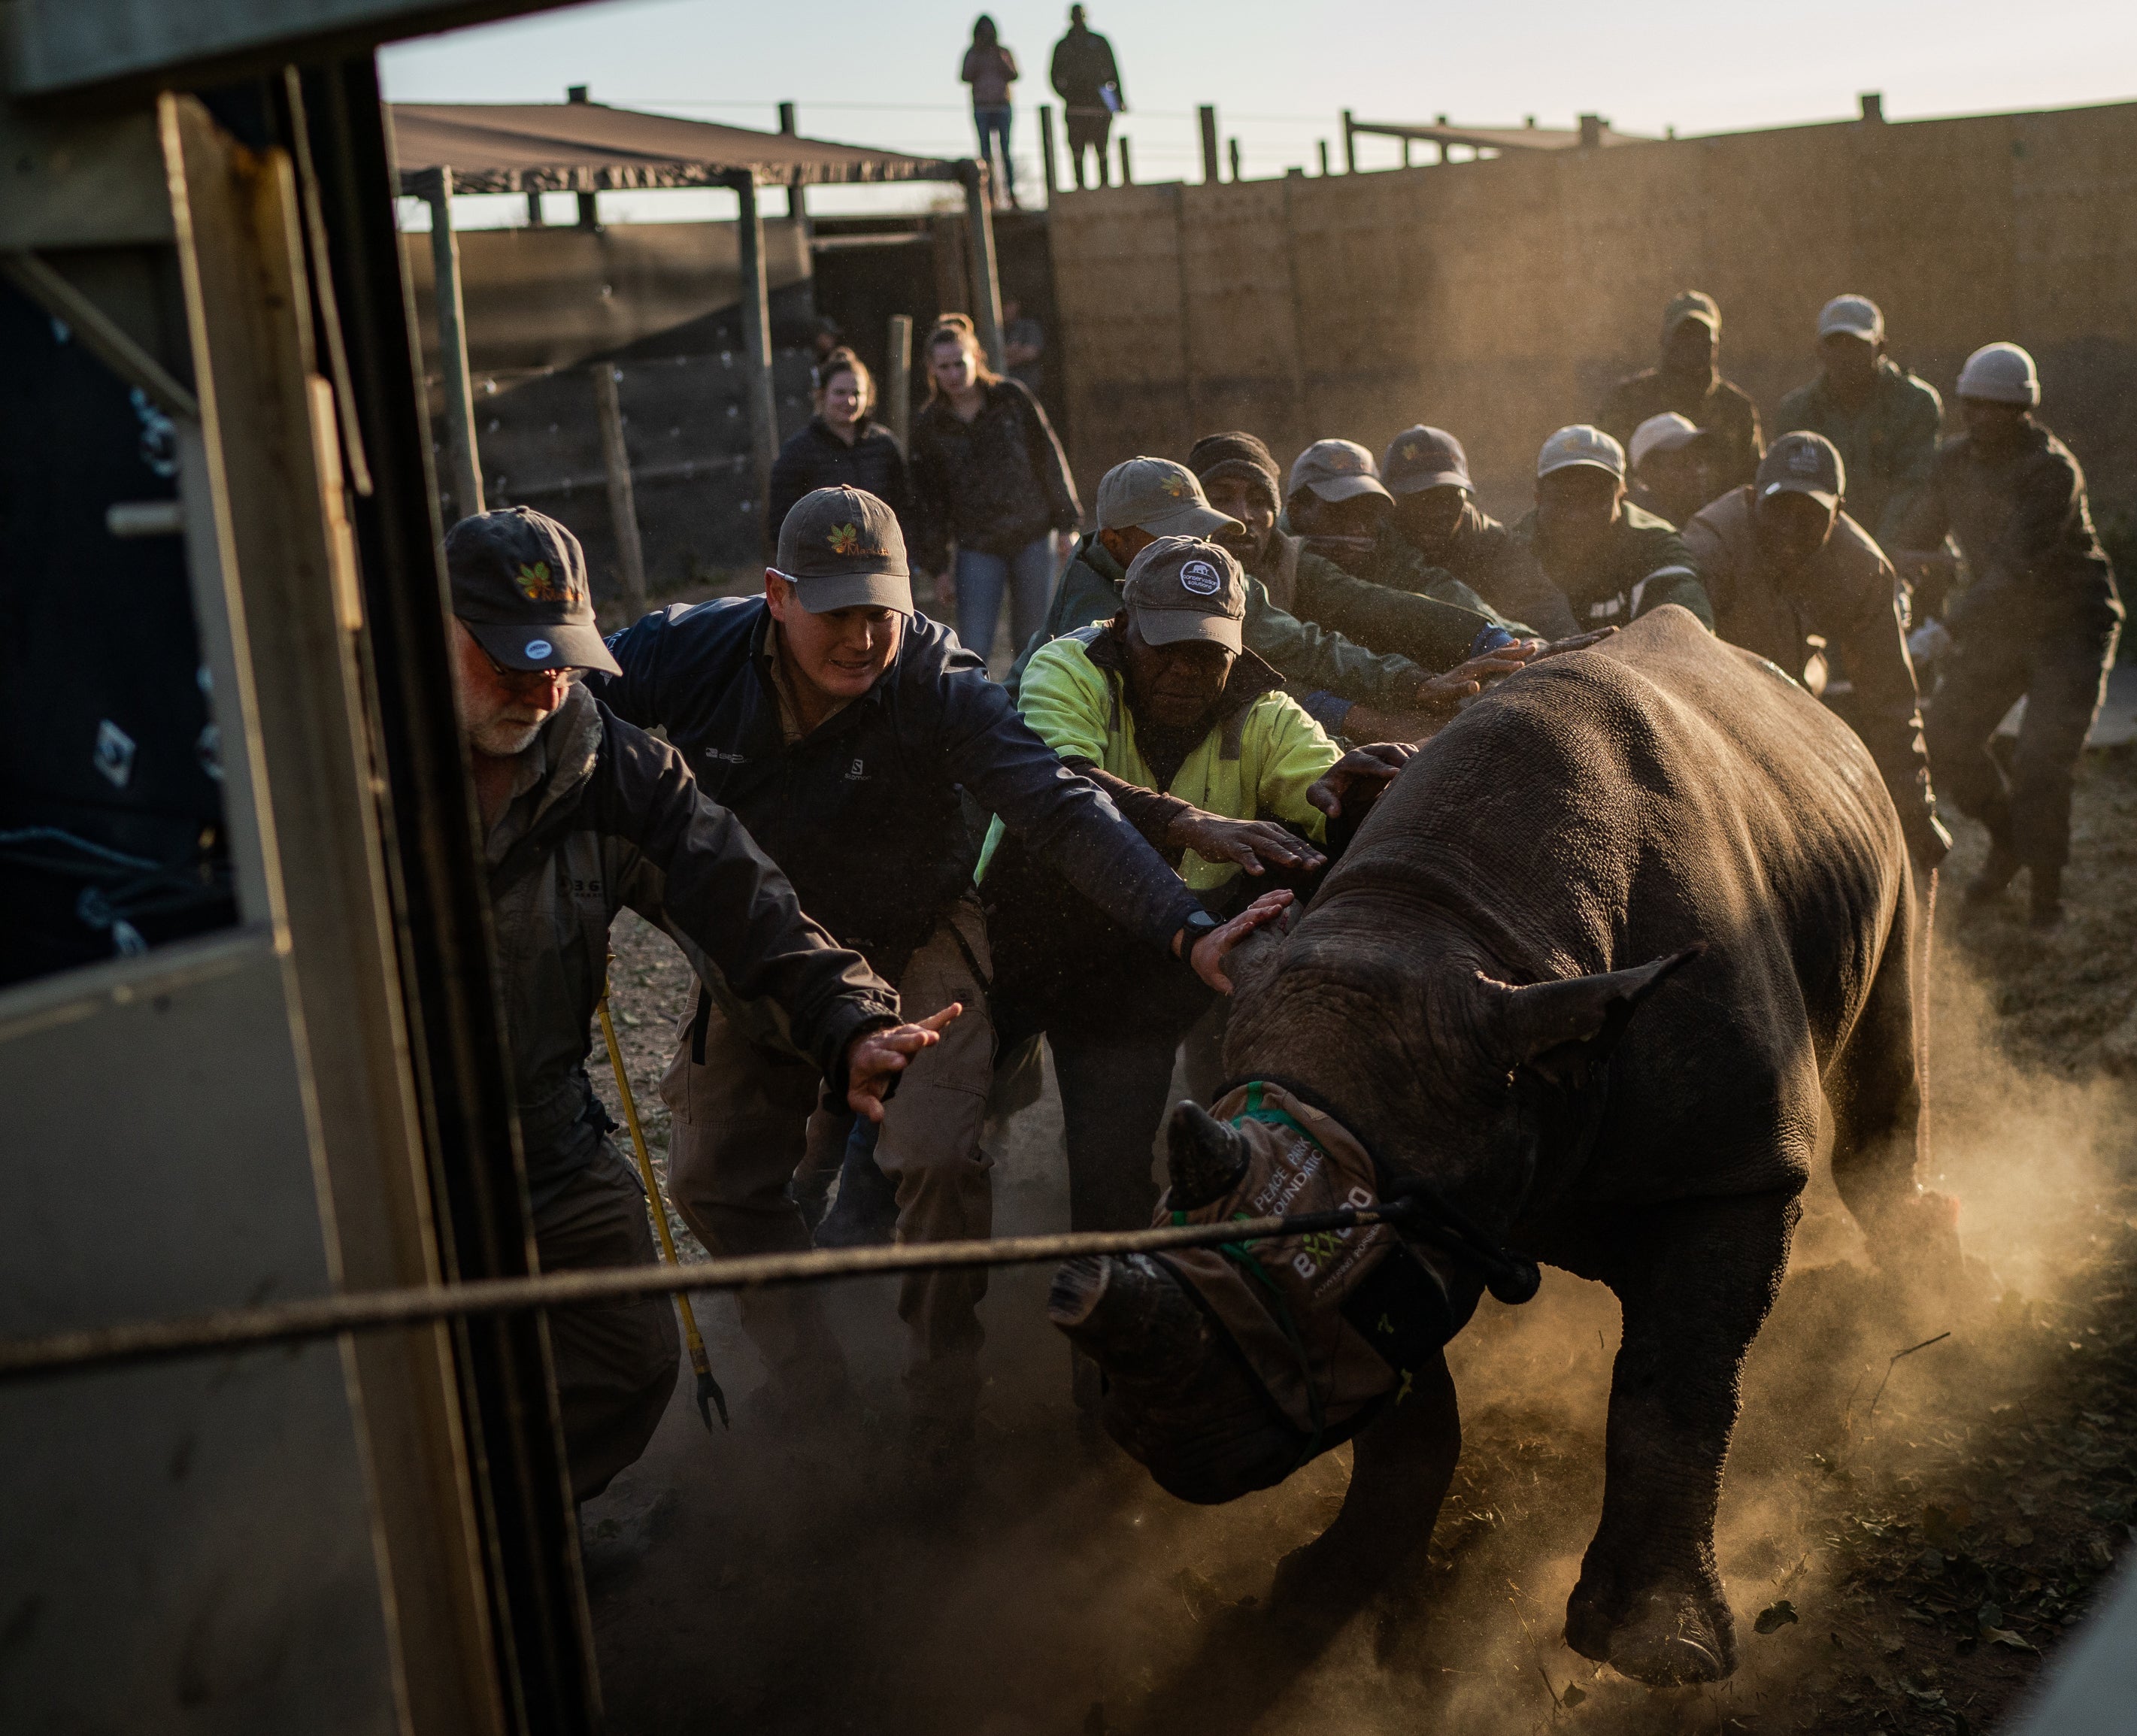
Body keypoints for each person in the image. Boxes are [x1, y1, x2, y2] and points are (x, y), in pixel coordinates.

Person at [589, 486, 1279, 1468]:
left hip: (920, 940)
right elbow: (563, 714)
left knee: (939, 1159)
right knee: (711, 1176)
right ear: (778, 595)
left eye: (883, 609)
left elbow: (1055, 801)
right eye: (837, 613)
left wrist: (1187, 929)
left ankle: (939, 1417)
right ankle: (815, 1389)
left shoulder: (937, 674)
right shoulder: (680, 652)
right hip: (758, 944)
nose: (863, 638)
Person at [444, 504, 952, 1504]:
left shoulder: (603, 763)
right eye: (511, 663)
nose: (544, 688)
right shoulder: (340, 772)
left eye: (564, 659)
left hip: (544, 1137)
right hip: (387, 1165)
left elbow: (738, 890)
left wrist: (845, 1017)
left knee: (632, 1358)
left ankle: (505, 1526)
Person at [983, 537, 1413, 1251]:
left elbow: (1326, 793)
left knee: (1112, 1178)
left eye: (1209, 653)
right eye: (1169, 648)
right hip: (1020, 936)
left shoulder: (1266, 711)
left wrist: (1364, 797)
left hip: (1135, 974)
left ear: (1237, 648)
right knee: (927, 1127)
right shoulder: (1066, 666)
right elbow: (1060, 786)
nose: (1187, 671)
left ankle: (1110, 1332)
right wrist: (1190, 824)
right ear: (1125, 626)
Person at [1017, 455, 1486, 742]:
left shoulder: (1195, 571)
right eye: (1167, 534)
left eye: (1197, 529)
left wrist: (1412, 683)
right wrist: (1365, 720)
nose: (1188, 546)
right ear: (1114, 540)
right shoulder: (1091, 633)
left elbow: (1301, 643)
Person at [1894, 343, 2122, 928]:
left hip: (2071, 624)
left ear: (2022, 409)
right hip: (2004, 626)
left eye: (1994, 407)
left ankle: (2046, 897)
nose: (1979, 418)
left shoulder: (2052, 471)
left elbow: (2013, 567)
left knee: (2043, 759)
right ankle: (2009, 838)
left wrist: (1945, 630)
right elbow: (1918, 534)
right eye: (1971, 405)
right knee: (1945, 737)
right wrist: (1895, 576)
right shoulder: (1953, 463)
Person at [1684, 432, 1951, 873]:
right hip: (1712, 690)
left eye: (1809, 514)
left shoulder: (1863, 570)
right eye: (1779, 509)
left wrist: (1916, 812)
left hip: (1797, 689)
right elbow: (1679, 652)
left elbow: (1889, 700)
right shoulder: (1712, 543)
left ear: (1838, 513)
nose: (1790, 528)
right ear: (1752, 500)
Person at [1232, 435, 1529, 665]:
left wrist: (1518, 637)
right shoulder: (1277, 553)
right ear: (1297, 510)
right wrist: (1485, 637)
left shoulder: (1380, 539)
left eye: (1367, 512)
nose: (1358, 527)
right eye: (1341, 511)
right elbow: (1370, 602)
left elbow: (1433, 584)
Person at [907, 315, 1080, 676]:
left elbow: (1048, 456)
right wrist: (939, 567)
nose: (953, 373)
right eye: (944, 366)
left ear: (977, 359)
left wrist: (1067, 523)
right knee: (973, 648)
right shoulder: (929, 424)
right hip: (978, 544)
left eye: (960, 363)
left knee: (1035, 642)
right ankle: (980, 722)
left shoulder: (1011, 398)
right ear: (931, 370)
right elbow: (929, 502)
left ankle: (1031, 721)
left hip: (1032, 533)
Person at [1772, 295, 1946, 553]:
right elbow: (1787, 493)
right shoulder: (1797, 411)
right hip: (1821, 545)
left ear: (1881, 347)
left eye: (1856, 344)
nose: (1844, 355)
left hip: (1899, 542)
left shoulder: (1916, 404)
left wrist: (1876, 552)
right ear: (1819, 349)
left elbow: (1914, 486)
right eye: (1834, 343)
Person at [1378, 424, 1581, 633]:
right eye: (1420, 498)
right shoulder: (1366, 540)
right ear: (1389, 500)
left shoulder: (1491, 541)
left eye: (1449, 498)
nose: (1437, 513)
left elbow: (1540, 604)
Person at [1513, 425, 1714, 629]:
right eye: (1562, 500)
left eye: (1593, 499)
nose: (1577, 517)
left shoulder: (1656, 545)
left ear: (1622, 496)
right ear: (1538, 498)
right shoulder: (1513, 550)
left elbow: (1688, 632)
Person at [1599, 289, 1763, 505]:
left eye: (1702, 337)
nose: (1692, 344)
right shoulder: (1629, 399)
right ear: (1664, 340)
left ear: (1717, 342)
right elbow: (1605, 473)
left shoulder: (1736, 409)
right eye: (1683, 335)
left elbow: (1753, 483)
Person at [767, 346, 910, 553]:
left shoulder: (884, 444)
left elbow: (904, 507)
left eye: (857, 393)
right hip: (825, 566)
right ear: (822, 395)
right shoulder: (798, 452)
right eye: (840, 393)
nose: (849, 401)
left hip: (881, 557)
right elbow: (783, 521)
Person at [1049, 3, 1123, 189]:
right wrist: (1066, 95)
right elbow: (1054, 75)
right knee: (1076, 148)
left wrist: (1118, 99)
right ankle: (1080, 186)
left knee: (1102, 147)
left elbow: (1114, 73)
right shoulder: (1064, 46)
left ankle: (1105, 184)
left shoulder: (1099, 42)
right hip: (1075, 104)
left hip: (1099, 103)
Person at [960, 16, 1020, 207]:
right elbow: (965, 75)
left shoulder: (1003, 51)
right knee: (985, 155)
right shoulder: (972, 53)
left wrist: (998, 56)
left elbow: (1014, 74)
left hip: (1002, 106)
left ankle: (1011, 195)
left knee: (1006, 153)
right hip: (982, 108)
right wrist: (978, 54)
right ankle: (989, 198)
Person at [1626, 411, 1717, 528]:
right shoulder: (1639, 532)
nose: (1698, 472)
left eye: (1699, 462)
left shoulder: (1720, 521)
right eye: (1682, 464)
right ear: (1648, 472)